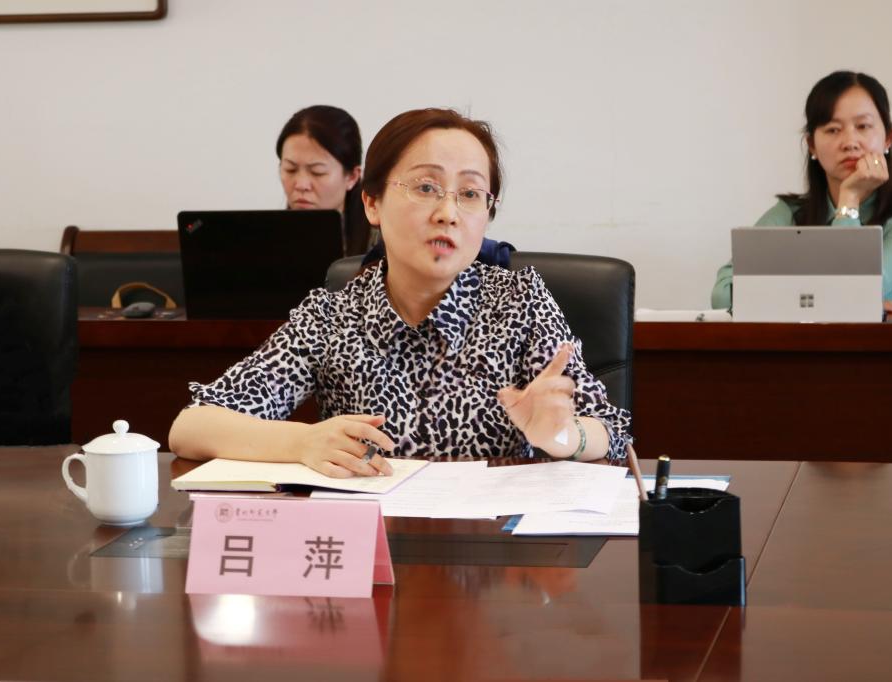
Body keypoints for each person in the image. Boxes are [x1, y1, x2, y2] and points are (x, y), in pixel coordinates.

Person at [170, 108, 631, 477]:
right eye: (426, 187)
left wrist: (560, 436)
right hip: (372, 547)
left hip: (493, 549)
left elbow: (611, 431)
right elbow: (191, 426)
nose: (448, 212)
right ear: (372, 202)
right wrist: (302, 440)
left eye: (471, 194)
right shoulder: (332, 316)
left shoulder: (519, 300)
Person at [711, 71, 892, 313]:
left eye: (863, 126)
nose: (849, 142)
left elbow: (854, 288)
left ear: (888, 139)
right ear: (812, 145)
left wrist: (849, 199)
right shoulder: (790, 214)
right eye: (832, 129)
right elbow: (723, 295)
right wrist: (837, 300)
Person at [276, 105, 375, 256]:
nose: (301, 185)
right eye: (290, 169)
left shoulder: (383, 246)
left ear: (352, 177)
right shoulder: (265, 240)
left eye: (317, 172)